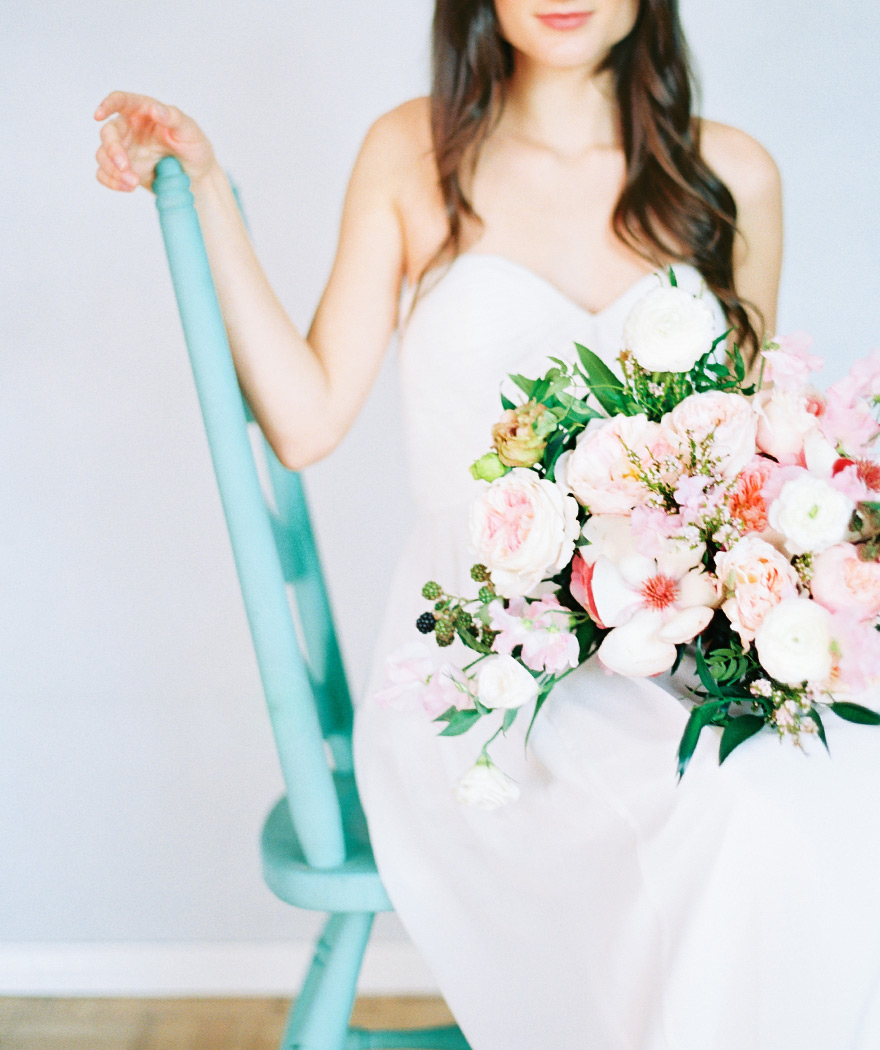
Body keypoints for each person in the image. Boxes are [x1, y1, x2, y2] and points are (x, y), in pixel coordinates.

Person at [94, 3, 880, 1048]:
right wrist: (203, 190)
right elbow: (305, 420)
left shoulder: (731, 175)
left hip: (666, 646)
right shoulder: (414, 154)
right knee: (722, 813)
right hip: (484, 661)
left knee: (828, 782)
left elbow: (741, 470)